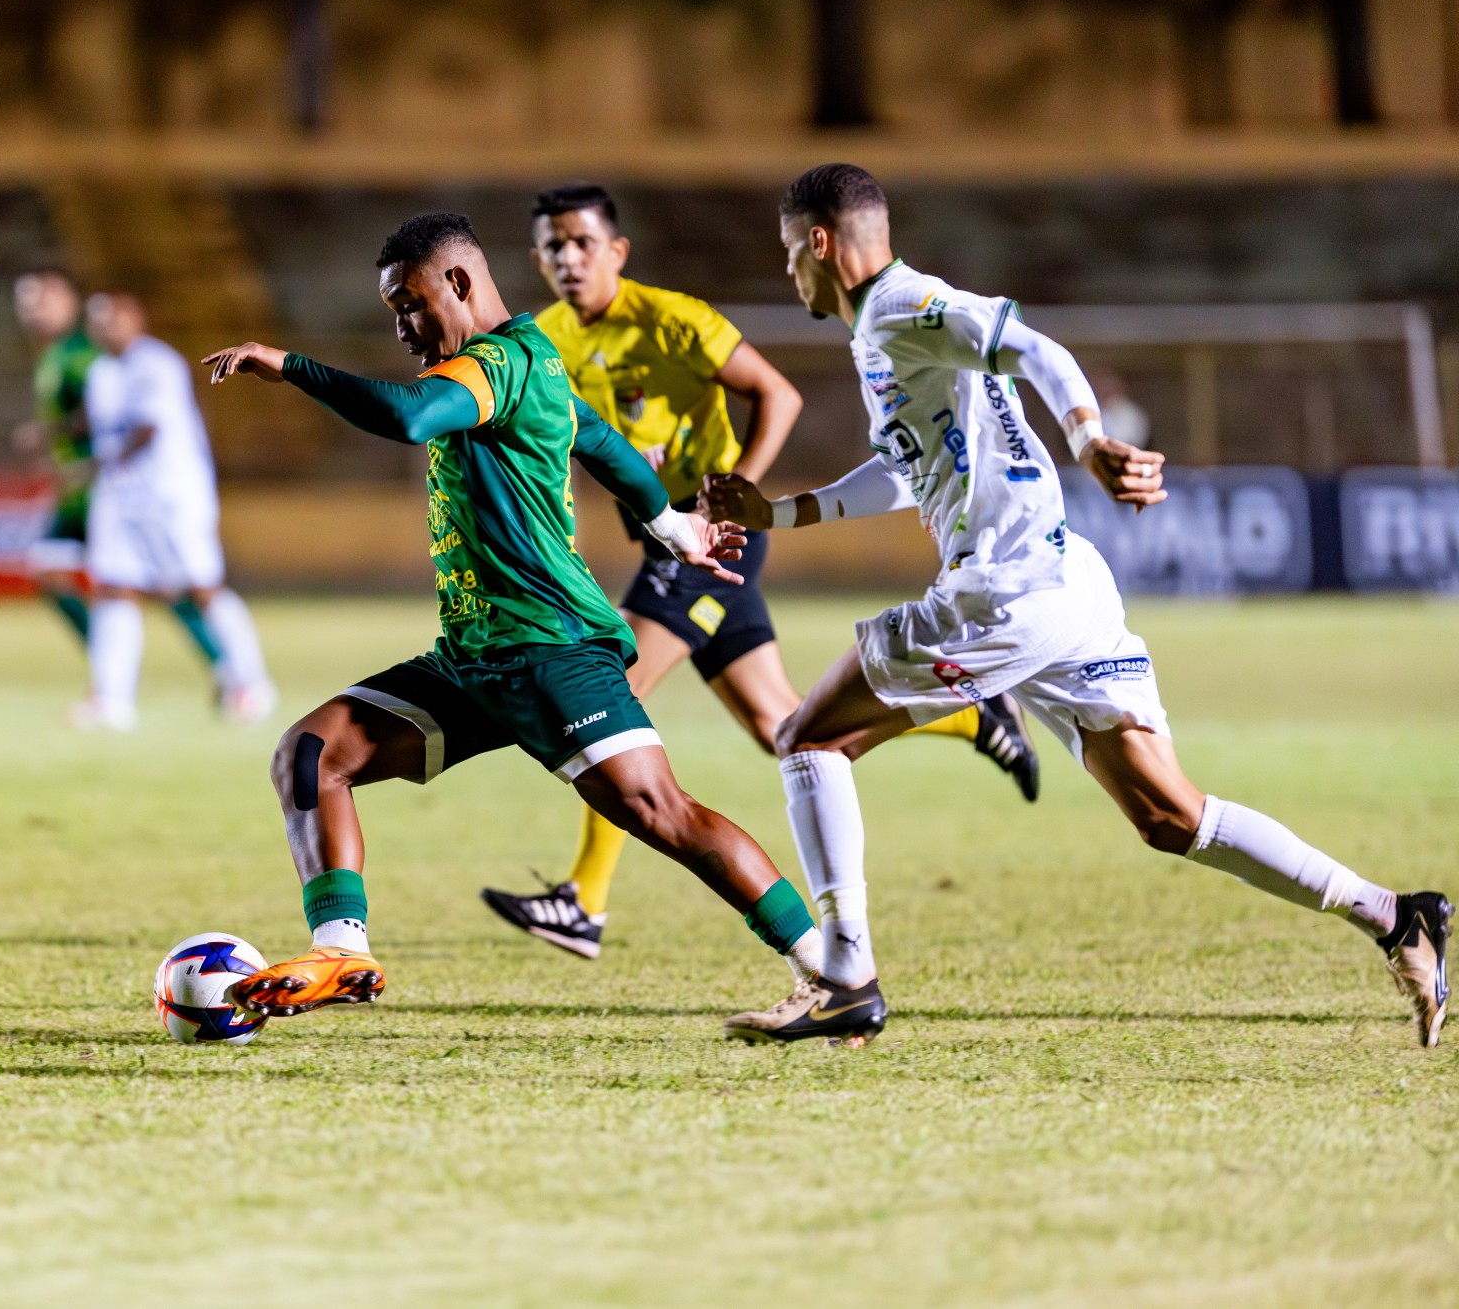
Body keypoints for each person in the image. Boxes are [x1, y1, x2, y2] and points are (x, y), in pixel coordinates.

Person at [704, 164, 1449, 1048]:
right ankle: (1398, 916)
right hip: (1066, 584)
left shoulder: (905, 307)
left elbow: (1039, 351)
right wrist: (783, 513)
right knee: (1172, 816)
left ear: (820, 243)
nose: (789, 271)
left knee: (808, 736)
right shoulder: (883, 333)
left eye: (791, 252)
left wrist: (1089, 439)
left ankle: (845, 976)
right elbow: (909, 469)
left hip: (1005, 593)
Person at [200, 212, 837, 1024]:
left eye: (409, 303)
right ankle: (342, 951)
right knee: (312, 753)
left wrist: (289, 364)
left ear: (459, 283)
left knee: (662, 814)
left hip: (552, 650)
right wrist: (674, 528)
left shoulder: (495, 364)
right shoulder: (528, 360)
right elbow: (602, 441)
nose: (401, 327)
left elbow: (407, 417)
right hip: (474, 658)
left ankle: (830, 970)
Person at [480, 182, 1040, 961]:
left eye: (581, 242)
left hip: (709, 544)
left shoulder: (672, 318)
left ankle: (585, 900)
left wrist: (733, 493)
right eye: (552, 246)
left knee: (612, 693)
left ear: (617, 251)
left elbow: (777, 393)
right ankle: (977, 714)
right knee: (782, 727)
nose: (566, 258)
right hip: (665, 541)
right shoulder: (546, 339)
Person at [11, 270, 224, 678]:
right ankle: (113, 673)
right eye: (24, 303)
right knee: (75, 575)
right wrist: (52, 438)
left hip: (110, 487)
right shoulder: (57, 354)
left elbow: (111, 416)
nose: (30, 312)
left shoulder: (84, 356)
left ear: (68, 302)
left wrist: (86, 462)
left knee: (159, 583)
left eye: (41, 301)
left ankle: (229, 672)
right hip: (89, 485)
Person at [80, 290, 276, 729]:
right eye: (97, 321)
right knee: (114, 588)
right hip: (120, 496)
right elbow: (99, 426)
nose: (105, 327)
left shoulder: (156, 364)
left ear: (135, 319)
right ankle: (112, 702)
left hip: (172, 496)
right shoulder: (100, 372)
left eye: (113, 318)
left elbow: (149, 427)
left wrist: (101, 460)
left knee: (203, 589)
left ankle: (253, 685)